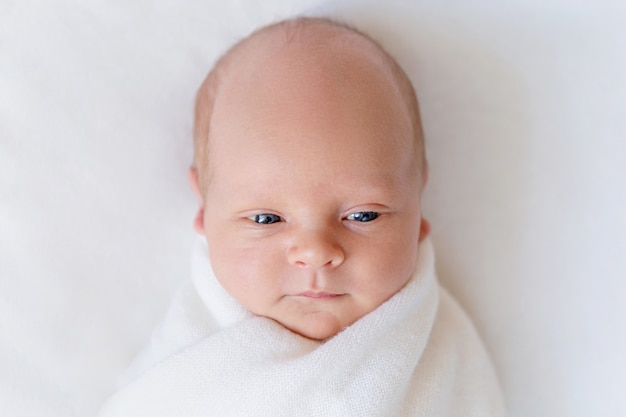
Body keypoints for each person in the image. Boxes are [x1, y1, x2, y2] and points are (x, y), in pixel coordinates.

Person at [99, 17, 505, 416]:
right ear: (205, 211)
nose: (315, 253)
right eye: (265, 220)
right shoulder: (188, 353)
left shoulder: (438, 352)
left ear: (417, 209)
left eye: (363, 215)